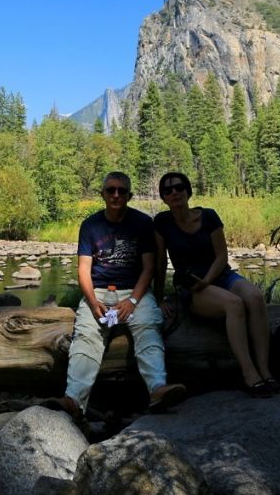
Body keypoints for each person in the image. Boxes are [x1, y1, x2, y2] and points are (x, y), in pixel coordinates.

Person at [56, 171, 187, 417]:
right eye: (111, 190)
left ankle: (158, 389)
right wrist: (93, 303)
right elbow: (83, 270)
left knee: (148, 326)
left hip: (133, 292)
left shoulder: (141, 223)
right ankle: (74, 400)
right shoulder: (91, 225)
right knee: (87, 335)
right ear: (103, 194)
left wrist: (134, 301)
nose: (116, 195)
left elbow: (149, 267)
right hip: (99, 292)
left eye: (122, 191)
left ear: (129, 195)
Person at [153, 171, 278, 398]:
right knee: (234, 304)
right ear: (163, 197)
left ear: (188, 191)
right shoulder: (162, 223)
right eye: (168, 190)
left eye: (179, 187)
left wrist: (208, 280)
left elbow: (222, 256)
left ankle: (265, 368)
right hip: (190, 286)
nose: (174, 192)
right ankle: (249, 373)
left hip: (219, 276)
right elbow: (160, 263)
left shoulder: (208, 216)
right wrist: (159, 297)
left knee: (255, 297)